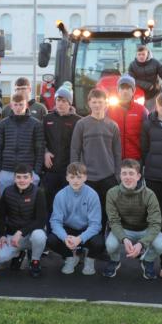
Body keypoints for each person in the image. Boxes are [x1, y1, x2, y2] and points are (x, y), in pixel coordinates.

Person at [103, 159, 162, 280]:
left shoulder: (149, 194)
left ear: (138, 176)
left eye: (131, 173)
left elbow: (155, 223)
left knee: (160, 246)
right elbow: (113, 221)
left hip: (145, 229)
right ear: (120, 175)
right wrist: (124, 239)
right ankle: (115, 261)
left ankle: (148, 261)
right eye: (124, 173)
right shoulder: (112, 193)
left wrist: (142, 244)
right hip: (124, 229)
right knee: (110, 245)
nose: (127, 177)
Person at [70, 88, 121, 225]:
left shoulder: (113, 126)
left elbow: (117, 153)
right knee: (87, 210)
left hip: (108, 176)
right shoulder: (81, 124)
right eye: (94, 102)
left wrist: (117, 175)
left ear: (106, 104)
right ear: (89, 104)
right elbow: (75, 150)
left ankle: (104, 240)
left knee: (107, 211)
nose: (97, 105)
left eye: (100, 102)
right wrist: (76, 174)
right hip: (88, 177)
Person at [48, 162, 103, 275]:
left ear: (85, 178)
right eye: (72, 177)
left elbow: (96, 224)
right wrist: (65, 238)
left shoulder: (92, 195)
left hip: (86, 230)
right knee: (51, 240)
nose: (75, 181)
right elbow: (55, 221)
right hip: (68, 230)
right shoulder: (61, 195)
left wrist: (80, 239)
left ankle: (89, 259)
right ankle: (70, 257)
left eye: (79, 177)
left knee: (99, 243)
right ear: (67, 177)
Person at [0, 164, 47, 278]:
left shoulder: (39, 192)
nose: (22, 180)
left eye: (25, 177)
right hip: (13, 235)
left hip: (31, 234)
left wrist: (21, 232)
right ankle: (19, 253)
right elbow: (0, 215)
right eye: (18, 177)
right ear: (14, 178)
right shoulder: (8, 191)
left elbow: (41, 220)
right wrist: (2, 235)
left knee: (39, 236)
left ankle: (35, 261)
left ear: (31, 179)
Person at [0, 93, 45, 191]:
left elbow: (40, 148)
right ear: (11, 105)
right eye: (15, 104)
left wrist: (36, 171)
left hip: (28, 171)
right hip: (6, 170)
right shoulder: (3, 124)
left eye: (21, 104)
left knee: (28, 203)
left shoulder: (36, 124)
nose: (18, 107)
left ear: (26, 105)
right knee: (6, 201)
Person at [42, 87, 81, 214]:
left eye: (64, 101)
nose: (61, 103)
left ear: (70, 103)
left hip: (68, 170)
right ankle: (49, 230)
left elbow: (80, 145)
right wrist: (45, 152)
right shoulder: (47, 119)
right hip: (51, 169)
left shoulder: (77, 121)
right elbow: (41, 139)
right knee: (49, 202)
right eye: (58, 100)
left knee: (67, 202)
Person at [107, 74, 148, 162]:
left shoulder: (142, 110)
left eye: (128, 88)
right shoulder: (108, 110)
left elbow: (146, 136)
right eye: (122, 88)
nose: (125, 91)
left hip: (135, 158)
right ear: (118, 91)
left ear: (133, 91)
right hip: (114, 158)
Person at [127, 45, 162, 110]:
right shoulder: (132, 65)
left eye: (143, 54)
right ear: (136, 55)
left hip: (156, 91)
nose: (141, 56)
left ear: (147, 54)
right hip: (140, 94)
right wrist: (145, 85)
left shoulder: (155, 63)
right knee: (148, 113)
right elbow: (131, 80)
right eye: (139, 54)